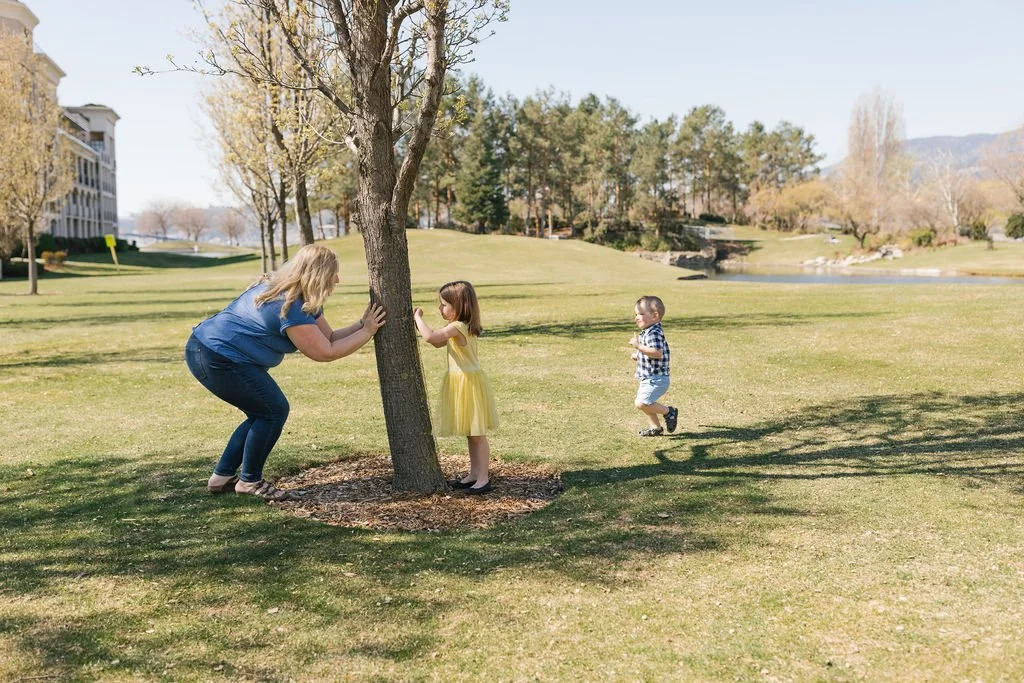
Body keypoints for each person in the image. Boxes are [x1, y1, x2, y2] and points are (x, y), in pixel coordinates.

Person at [184, 244, 386, 501]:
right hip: (216, 357)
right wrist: (367, 332)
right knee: (272, 411)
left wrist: (361, 325)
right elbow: (325, 352)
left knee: (262, 413)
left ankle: (222, 478)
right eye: (333, 273)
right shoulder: (290, 305)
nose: (337, 279)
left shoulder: (301, 298)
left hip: (210, 351)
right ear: (318, 274)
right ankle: (249, 481)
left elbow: (330, 337)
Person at [413, 280, 498, 494]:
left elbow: (430, 337)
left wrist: (418, 318)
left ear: (459, 306)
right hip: (464, 382)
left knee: (477, 434)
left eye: (444, 305)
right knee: (471, 433)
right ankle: (474, 474)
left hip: (468, 384)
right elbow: (437, 342)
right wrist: (419, 324)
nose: (440, 308)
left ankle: (484, 478)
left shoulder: (457, 327)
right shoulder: (459, 327)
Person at [629, 295, 679, 437]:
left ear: (655, 316)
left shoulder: (654, 333)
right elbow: (651, 354)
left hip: (657, 379)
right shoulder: (648, 331)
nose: (636, 318)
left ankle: (669, 412)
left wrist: (638, 346)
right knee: (646, 403)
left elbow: (657, 353)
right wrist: (639, 355)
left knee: (641, 403)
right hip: (649, 378)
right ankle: (656, 428)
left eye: (640, 314)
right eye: (636, 314)